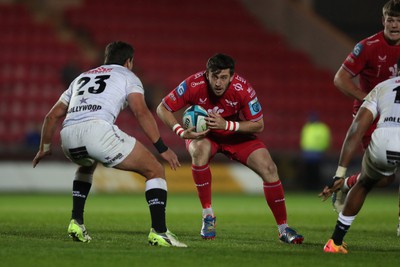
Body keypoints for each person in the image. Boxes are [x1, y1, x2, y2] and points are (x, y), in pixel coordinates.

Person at [32, 41, 187, 247]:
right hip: (97, 131)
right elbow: (141, 111)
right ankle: (159, 232)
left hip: (68, 135)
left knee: (86, 164)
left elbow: (51, 117)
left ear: (106, 59)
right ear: (129, 61)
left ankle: (76, 221)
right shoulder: (128, 76)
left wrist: (45, 148)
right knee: (155, 170)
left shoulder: (81, 78)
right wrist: (162, 148)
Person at [156, 53, 304, 244]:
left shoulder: (243, 89)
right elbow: (163, 107)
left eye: (223, 77)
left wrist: (227, 125)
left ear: (231, 77)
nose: (218, 83)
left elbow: (258, 124)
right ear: (206, 74)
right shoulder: (193, 84)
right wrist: (180, 131)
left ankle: (284, 229)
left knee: (269, 168)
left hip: (234, 133)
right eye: (214, 77)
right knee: (198, 151)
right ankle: (208, 216)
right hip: (206, 135)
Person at [332, 0, 400, 234]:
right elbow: (340, 78)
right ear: (383, 21)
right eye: (390, 20)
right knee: (383, 178)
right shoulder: (368, 46)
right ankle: (350, 183)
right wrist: (370, 98)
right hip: (371, 116)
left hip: (397, 114)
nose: (395, 25)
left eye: (399, 20)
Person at [319, 61, 400, 253]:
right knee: (386, 179)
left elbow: (356, 130)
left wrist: (339, 173)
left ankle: (335, 242)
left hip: (385, 140)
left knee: (365, 183)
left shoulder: (382, 87)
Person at [300, 112, 331, 190]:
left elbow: (325, 139)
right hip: (309, 153)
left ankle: (313, 187)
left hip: (316, 153)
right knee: (309, 171)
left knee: (315, 171)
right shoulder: (309, 127)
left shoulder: (319, 128)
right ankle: (309, 187)